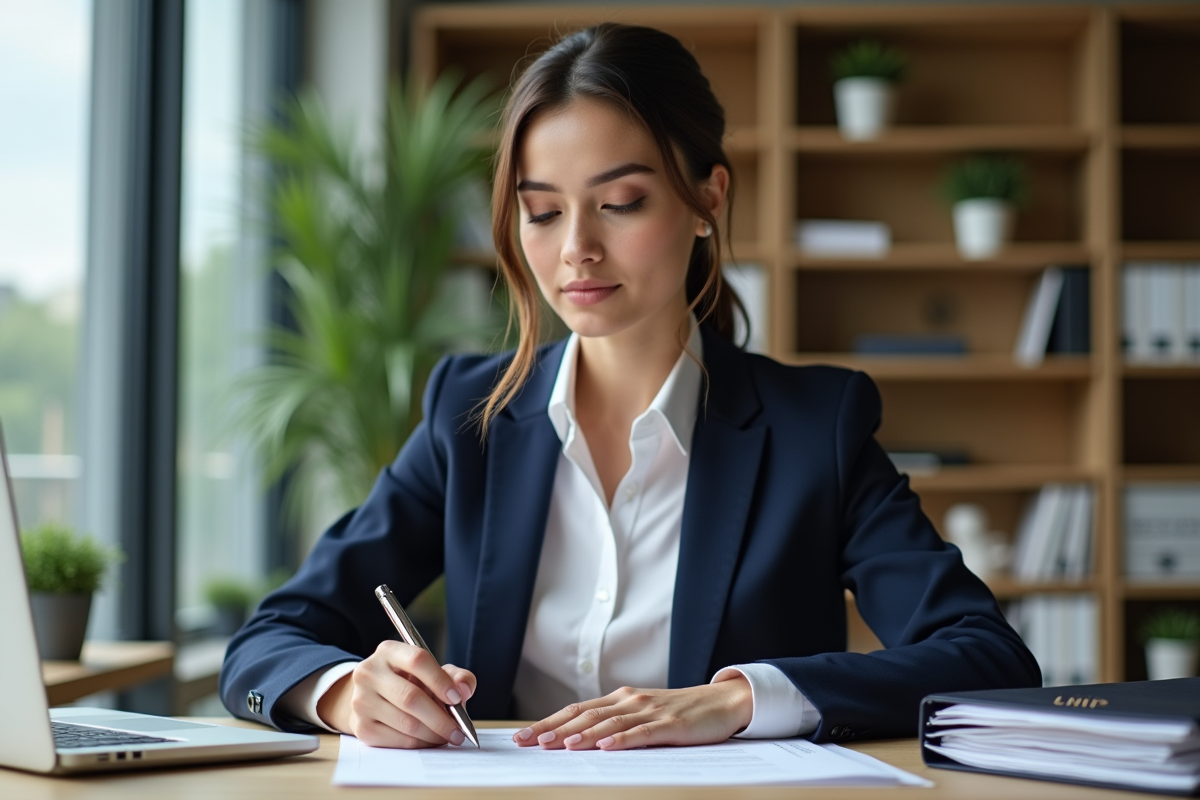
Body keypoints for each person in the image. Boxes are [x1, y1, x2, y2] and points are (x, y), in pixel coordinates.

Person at [219, 22, 1040, 752]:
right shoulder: (471, 417)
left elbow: (987, 656)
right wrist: (343, 693)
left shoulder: (813, 427)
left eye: (620, 202)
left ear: (706, 201)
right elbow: (273, 638)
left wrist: (737, 700)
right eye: (541, 212)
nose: (576, 248)